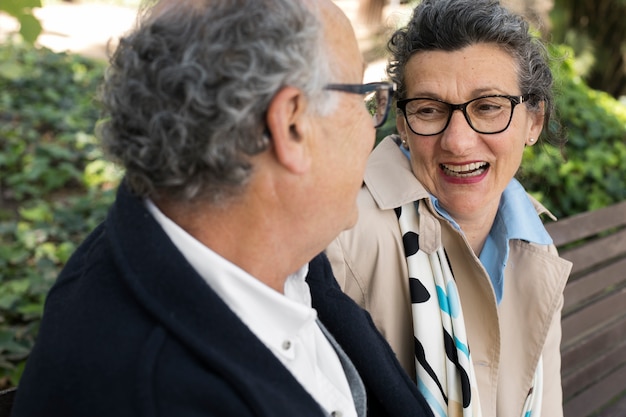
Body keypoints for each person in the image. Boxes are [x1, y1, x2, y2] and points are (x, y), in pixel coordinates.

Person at [10, 1, 434, 416]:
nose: (370, 125)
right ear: (291, 125)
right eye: (364, 96)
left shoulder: (271, 248)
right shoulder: (153, 391)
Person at [326, 1, 573, 417]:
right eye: (429, 109)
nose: (457, 141)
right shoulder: (341, 239)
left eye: (488, 106)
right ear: (403, 124)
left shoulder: (534, 242)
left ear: (533, 121)